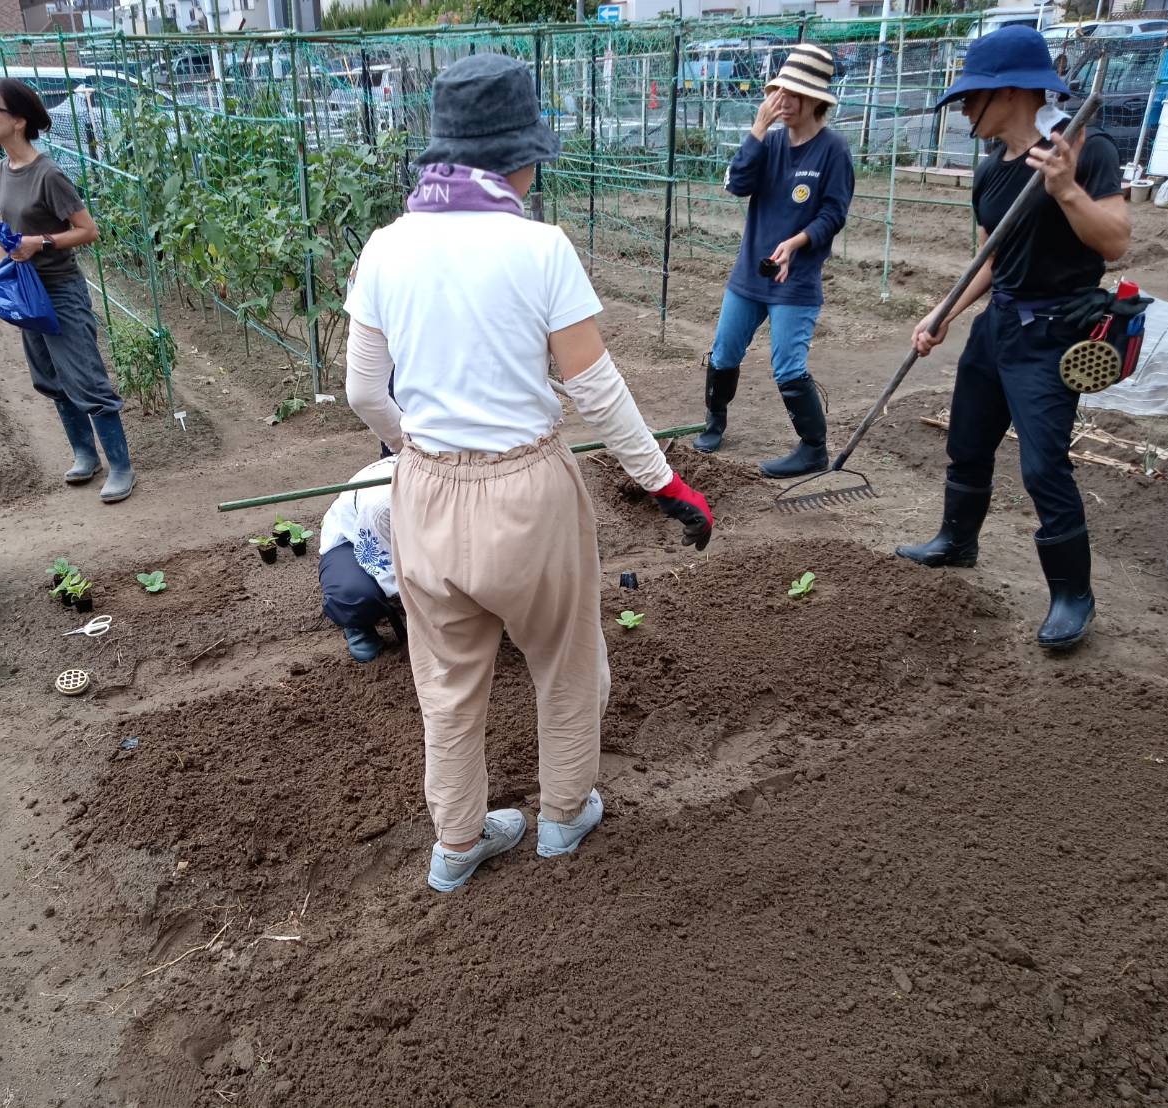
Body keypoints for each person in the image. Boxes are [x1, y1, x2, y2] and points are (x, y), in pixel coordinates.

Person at [344, 53, 714, 894]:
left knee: (445, 685)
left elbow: (363, 388)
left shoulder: (386, 246)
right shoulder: (539, 247)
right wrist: (664, 483)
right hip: (528, 493)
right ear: (518, 157)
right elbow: (592, 386)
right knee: (566, 663)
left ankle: (457, 844)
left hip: (426, 494)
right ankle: (561, 817)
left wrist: (417, 453)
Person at [896, 25, 1130, 650]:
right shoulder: (990, 171)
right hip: (997, 322)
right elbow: (989, 260)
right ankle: (957, 541)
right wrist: (944, 312)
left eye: (973, 97)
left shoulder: (1085, 149)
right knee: (968, 441)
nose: (965, 109)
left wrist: (1066, 190)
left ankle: (1071, 595)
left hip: (1055, 332)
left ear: (1013, 94)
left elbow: (1115, 241)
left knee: (1042, 463)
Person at [692, 44, 854, 480]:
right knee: (724, 351)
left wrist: (798, 241)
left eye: (791, 95)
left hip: (795, 279)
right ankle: (715, 423)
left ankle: (812, 448)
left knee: (788, 365)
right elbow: (737, 183)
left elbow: (834, 213)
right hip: (749, 275)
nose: (781, 102)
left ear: (814, 100)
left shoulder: (833, 151)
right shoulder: (771, 141)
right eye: (778, 93)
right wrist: (757, 130)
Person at [0, 76, 136, 504]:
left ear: (19, 120)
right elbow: (5, 230)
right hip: (26, 288)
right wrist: (3, 272)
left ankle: (121, 466)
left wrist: (41, 242)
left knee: (85, 377)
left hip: (60, 288)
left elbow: (88, 231)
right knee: (48, 377)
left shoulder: (48, 175)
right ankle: (85, 455)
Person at [318, 456, 406, 663]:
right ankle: (358, 623)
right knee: (354, 593)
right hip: (355, 541)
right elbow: (383, 563)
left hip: (418, 534)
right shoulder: (383, 506)